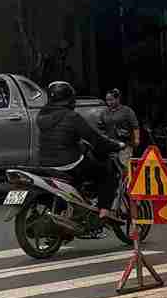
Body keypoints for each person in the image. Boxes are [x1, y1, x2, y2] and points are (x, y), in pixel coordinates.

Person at [36, 81, 126, 220]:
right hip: (68, 164)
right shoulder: (72, 117)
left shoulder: (41, 116)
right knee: (106, 172)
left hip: (45, 163)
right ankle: (103, 210)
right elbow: (95, 139)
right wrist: (116, 145)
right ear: (69, 98)